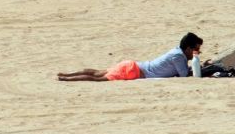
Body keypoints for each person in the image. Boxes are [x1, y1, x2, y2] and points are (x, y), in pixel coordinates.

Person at [57, 33, 203, 81]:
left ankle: (66, 75)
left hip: (132, 66)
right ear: (188, 48)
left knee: (97, 72)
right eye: (196, 49)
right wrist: (197, 62)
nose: (197, 51)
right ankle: (66, 78)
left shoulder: (177, 53)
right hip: (134, 71)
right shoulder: (178, 57)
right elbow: (184, 74)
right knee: (98, 79)